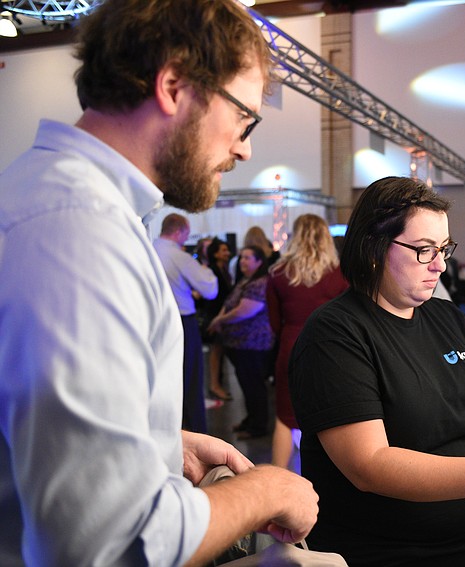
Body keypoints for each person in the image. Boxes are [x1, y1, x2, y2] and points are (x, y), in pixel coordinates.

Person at [0, 1, 318, 565]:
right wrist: (267, 489)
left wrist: (154, 445)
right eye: (245, 118)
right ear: (172, 85)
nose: (245, 147)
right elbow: (108, 541)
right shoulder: (78, 230)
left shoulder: (72, 206)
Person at [289, 176, 465, 567]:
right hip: (381, 553)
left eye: (444, 249)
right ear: (375, 248)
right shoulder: (335, 336)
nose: (439, 265)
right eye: (423, 250)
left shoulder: (448, 318)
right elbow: (371, 465)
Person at [267, 213, 348, 469]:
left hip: (290, 345)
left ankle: (277, 484)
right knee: (330, 416)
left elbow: (273, 322)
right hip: (328, 350)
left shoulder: (278, 273)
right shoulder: (340, 274)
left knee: (284, 418)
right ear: (326, 237)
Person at [154, 213, 219, 433]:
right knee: (190, 380)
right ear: (180, 231)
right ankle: (195, 434)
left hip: (154, 322)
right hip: (182, 322)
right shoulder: (178, 255)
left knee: (163, 379)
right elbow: (210, 289)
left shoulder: (148, 248)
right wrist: (207, 267)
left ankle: (166, 431)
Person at [208, 245, 275, 440]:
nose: (242, 261)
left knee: (254, 386)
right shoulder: (246, 280)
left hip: (252, 343)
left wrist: (219, 320)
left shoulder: (260, 283)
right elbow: (229, 303)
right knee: (247, 384)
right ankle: (251, 419)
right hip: (240, 343)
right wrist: (219, 319)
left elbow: (244, 311)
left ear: (259, 261)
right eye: (242, 257)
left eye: (248, 258)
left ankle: (258, 426)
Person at [202, 237, 234, 401]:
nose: (227, 253)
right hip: (215, 315)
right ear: (215, 254)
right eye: (223, 250)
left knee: (219, 351)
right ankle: (214, 385)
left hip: (220, 315)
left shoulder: (224, 270)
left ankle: (217, 384)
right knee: (216, 351)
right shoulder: (213, 271)